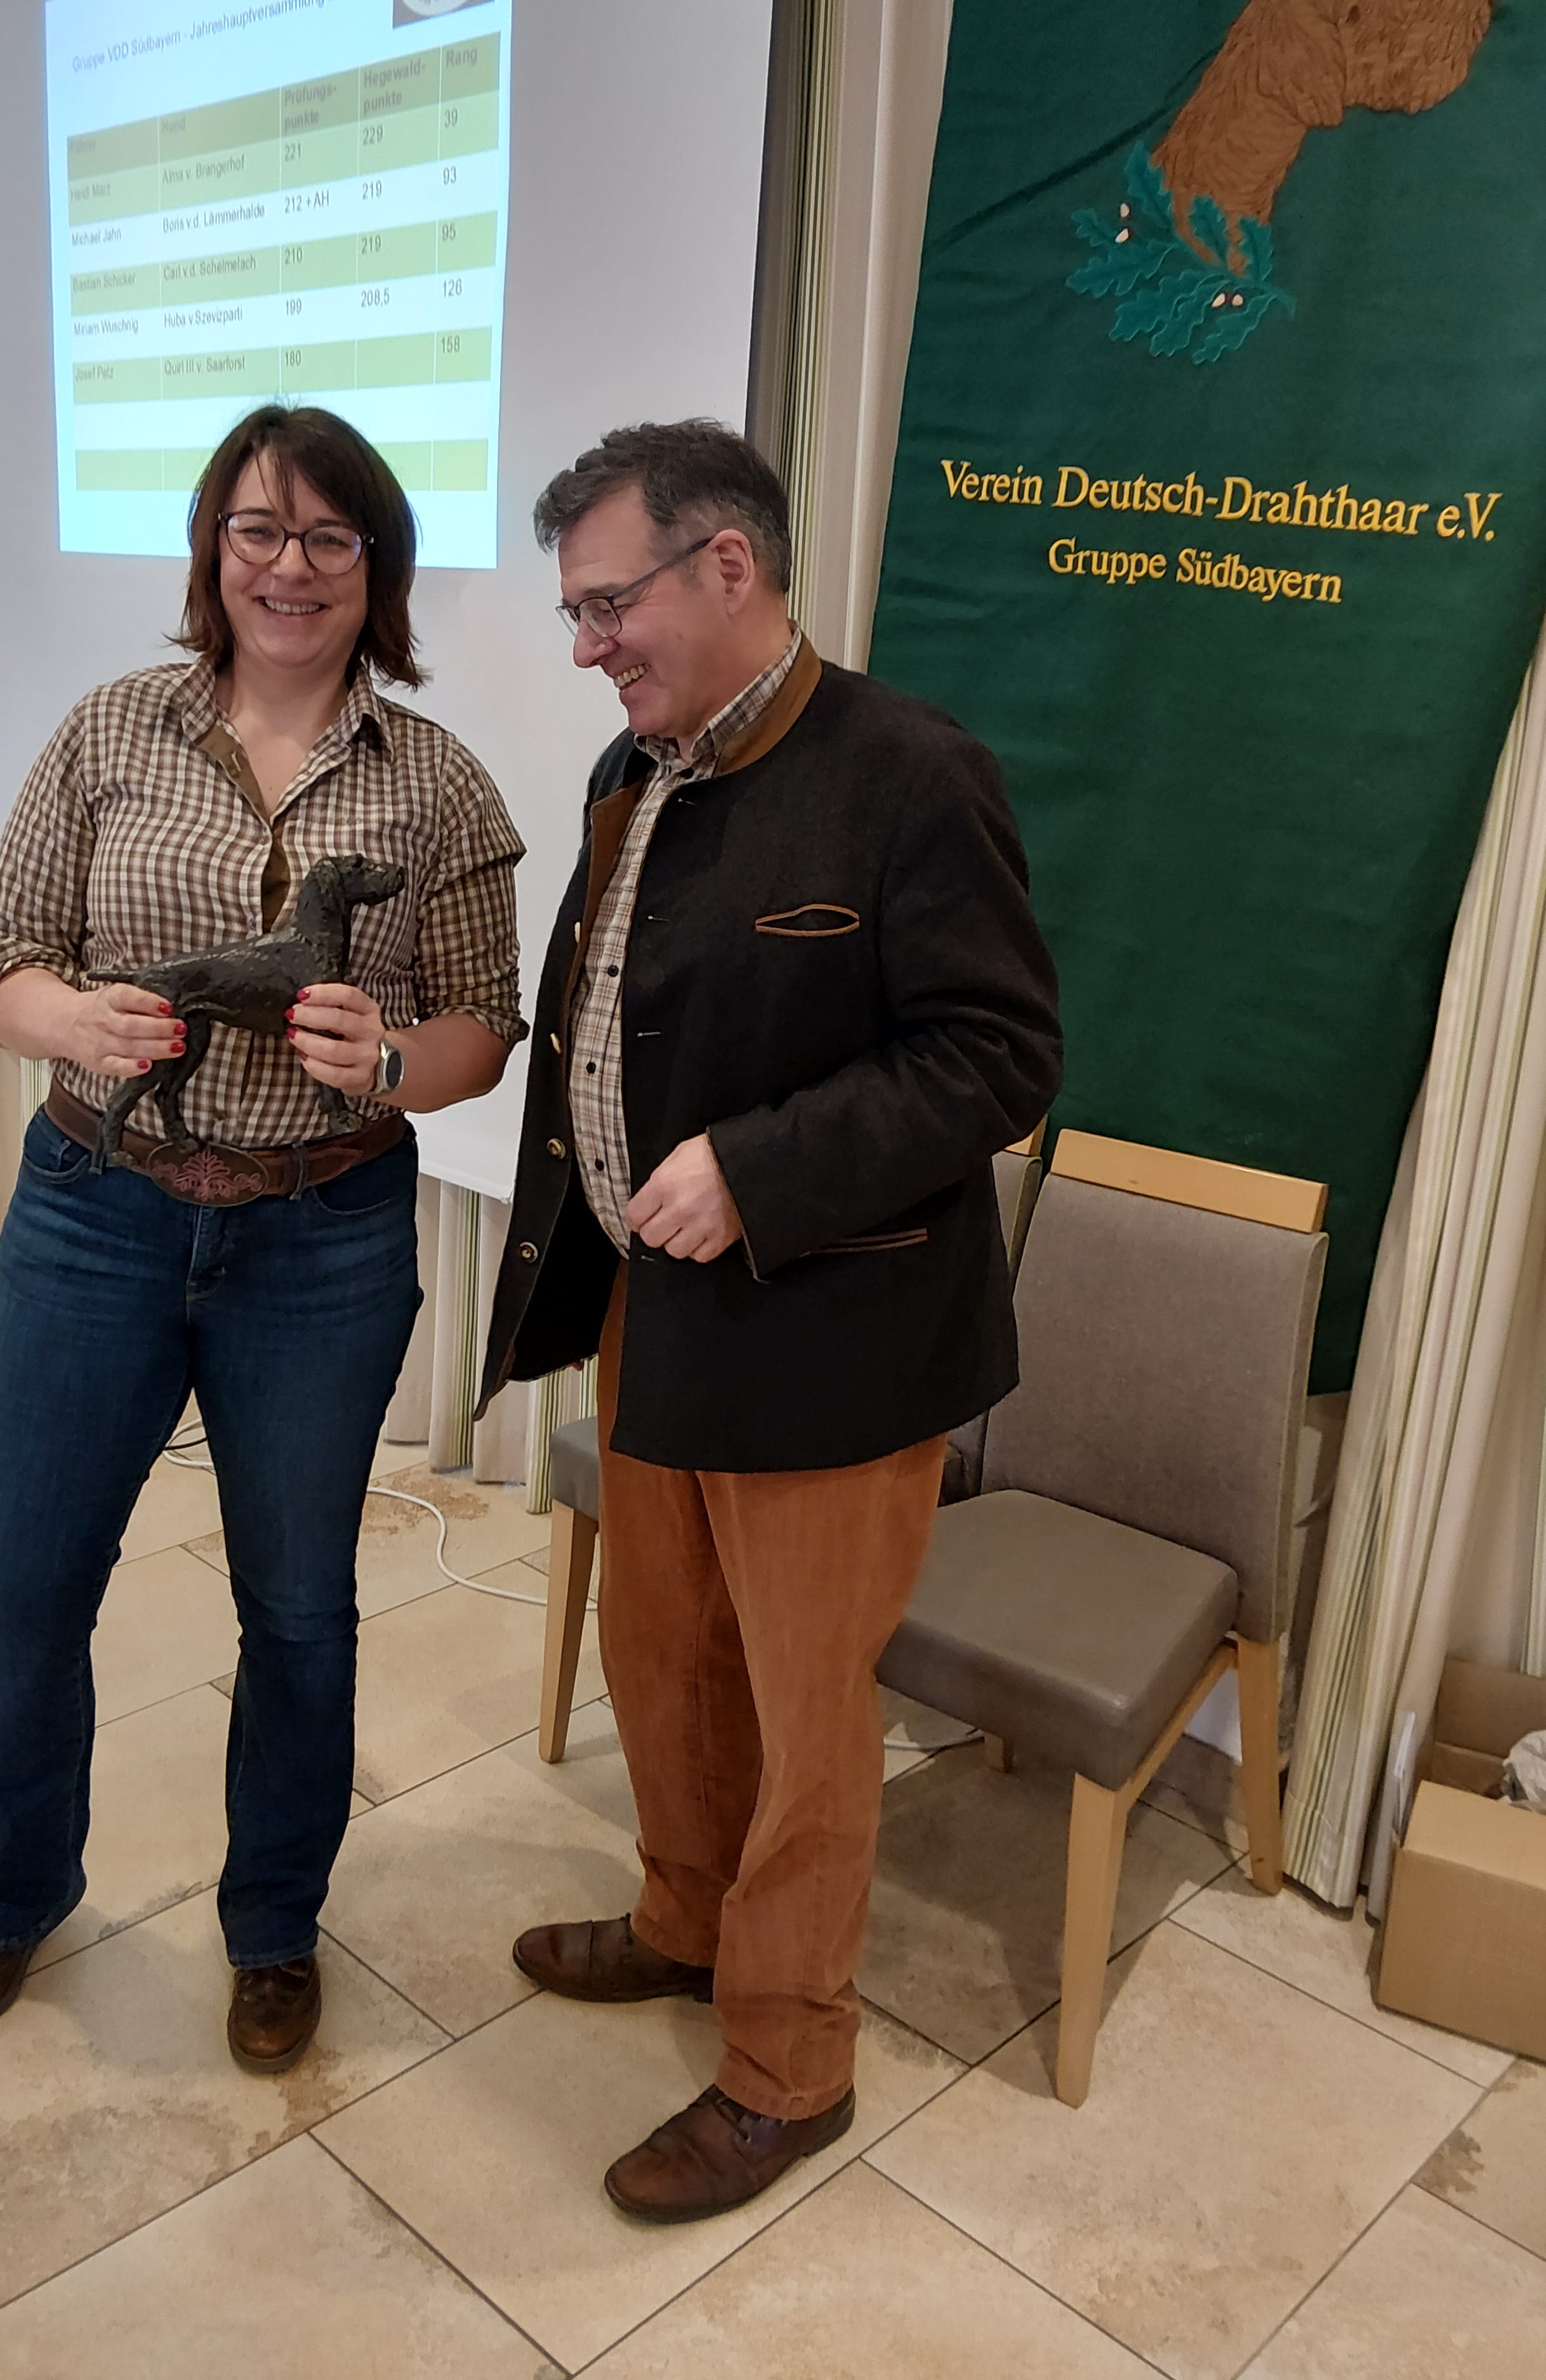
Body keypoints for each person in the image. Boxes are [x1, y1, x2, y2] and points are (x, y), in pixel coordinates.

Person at [479, 420, 1062, 2222]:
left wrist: (757, 1167)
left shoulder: (912, 773)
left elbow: (998, 1057)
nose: (589, 646)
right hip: (650, 1315)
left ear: (727, 563)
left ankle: (788, 2063)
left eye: (608, 605)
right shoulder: (633, 767)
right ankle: (681, 1919)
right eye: (577, 613)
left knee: (809, 1722)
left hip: (833, 1339)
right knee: (663, 1656)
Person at [0, 404, 524, 2071]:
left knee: (300, 1610)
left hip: (320, 1240)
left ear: (377, 565)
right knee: (21, 1593)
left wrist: (391, 1063)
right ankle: (7, 1898)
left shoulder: (437, 781)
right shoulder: (111, 729)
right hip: (94, 1223)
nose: (289, 566)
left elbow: (483, 1025)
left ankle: (273, 1929)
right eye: (258, 529)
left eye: (329, 535)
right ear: (212, 549)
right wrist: (74, 1024)